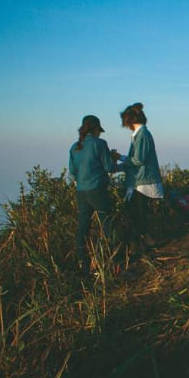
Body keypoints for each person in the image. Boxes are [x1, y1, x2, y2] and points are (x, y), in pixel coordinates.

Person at [112, 103, 164, 252]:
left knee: (137, 215)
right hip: (138, 181)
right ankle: (142, 243)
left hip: (142, 182)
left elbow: (138, 160)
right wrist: (118, 167)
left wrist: (119, 157)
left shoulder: (142, 135)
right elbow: (135, 161)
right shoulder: (139, 135)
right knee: (136, 214)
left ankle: (143, 244)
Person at [69, 115, 116, 275]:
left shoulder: (75, 147)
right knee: (108, 225)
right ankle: (110, 263)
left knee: (83, 227)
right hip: (97, 190)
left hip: (81, 192)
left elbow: (73, 172)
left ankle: (83, 264)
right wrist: (115, 160)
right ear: (96, 129)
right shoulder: (100, 144)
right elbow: (109, 167)